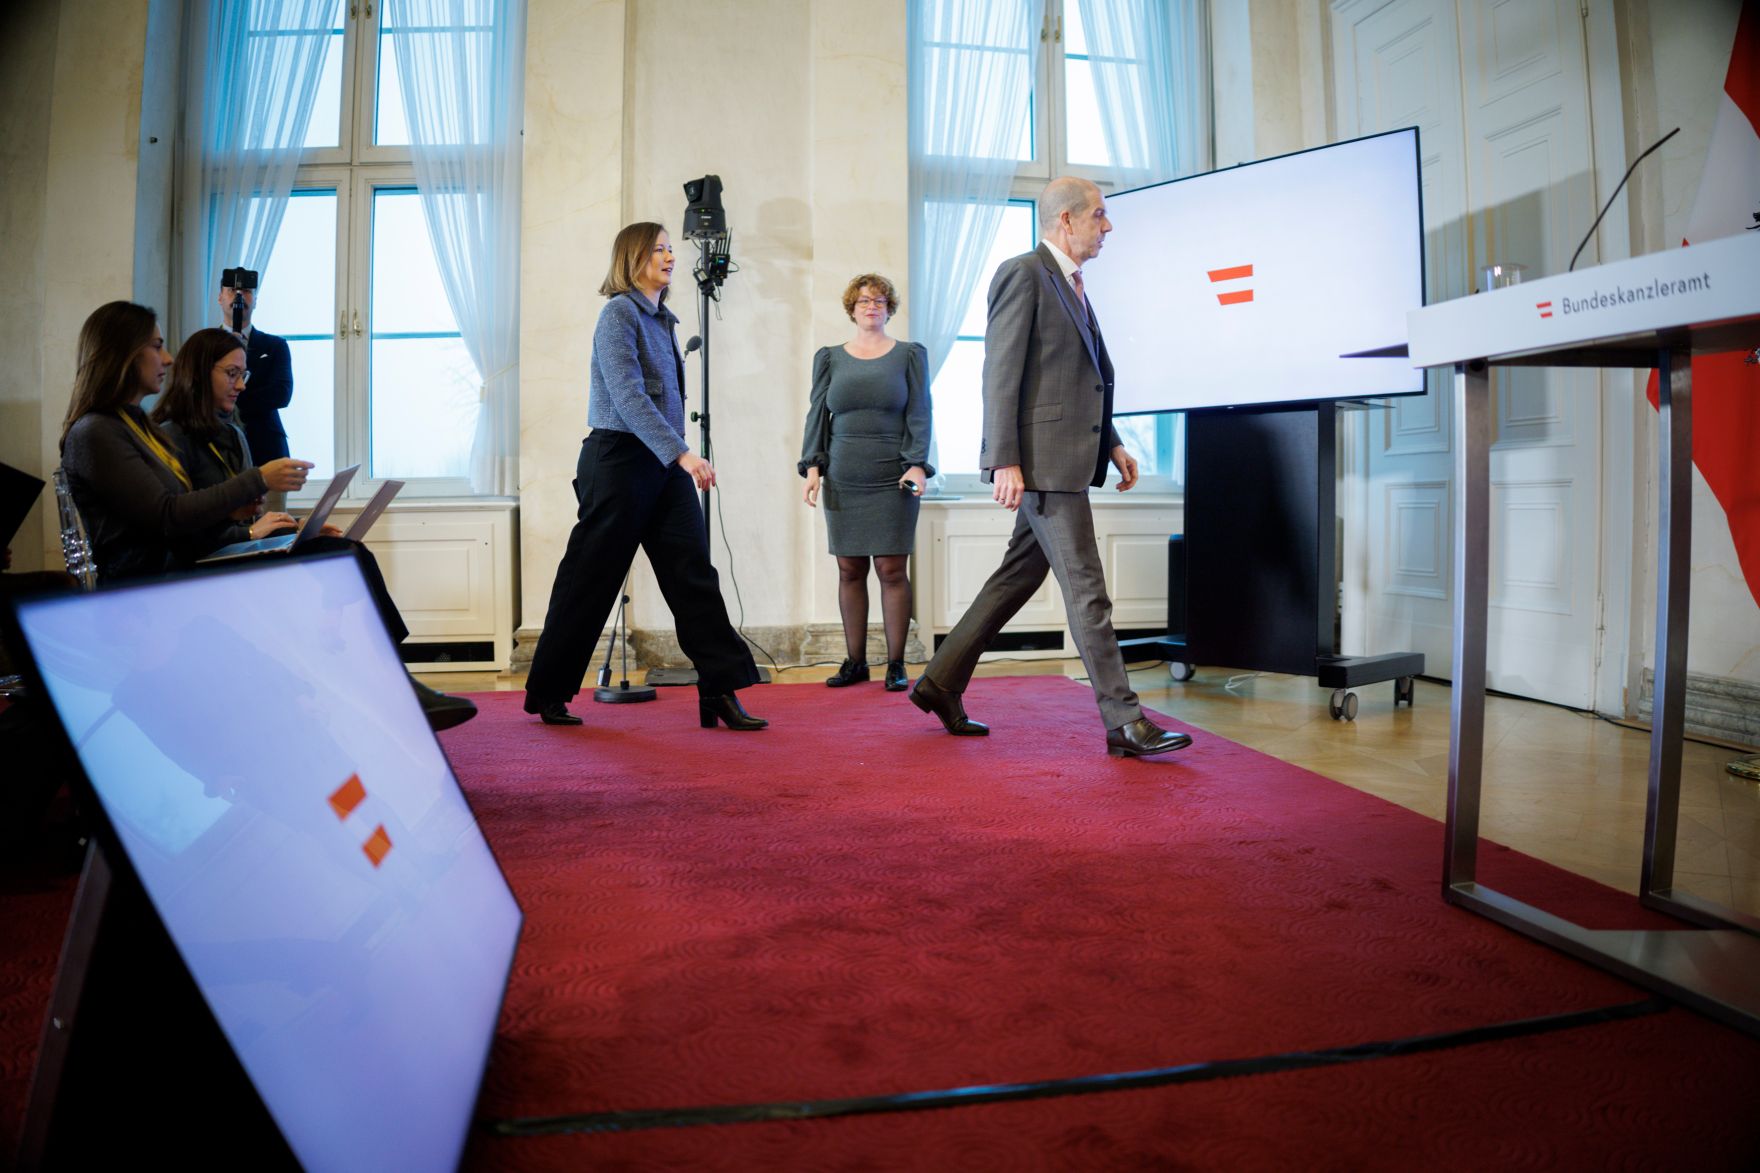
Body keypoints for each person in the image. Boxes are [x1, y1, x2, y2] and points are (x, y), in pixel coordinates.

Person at [58, 303, 475, 730]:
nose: (167, 358)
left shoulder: (133, 428)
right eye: (157, 346)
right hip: (156, 583)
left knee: (336, 551)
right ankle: (373, 683)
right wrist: (256, 484)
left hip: (185, 561)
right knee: (335, 557)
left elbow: (182, 516)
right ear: (123, 353)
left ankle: (379, 681)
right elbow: (168, 517)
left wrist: (273, 526)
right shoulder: (98, 432)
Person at [909, 177, 1194, 759]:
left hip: (1065, 459)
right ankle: (1124, 721)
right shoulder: (1024, 273)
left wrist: (1111, 443)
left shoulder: (1074, 285)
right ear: (1067, 219)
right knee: (1089, 591)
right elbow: (1001, 371)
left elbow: (1078, 378)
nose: (1107, 226)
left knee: (1014, 578)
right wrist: (1003, 459)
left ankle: (939, 683)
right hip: (1043, 466)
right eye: (1099, 215)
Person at [522, 222, 765, 730]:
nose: (669, 256)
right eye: (658, 249)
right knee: (590, 579)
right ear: (631, 257)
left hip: (660, 462)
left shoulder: (663, 319)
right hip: (617, 462)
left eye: (671, 248)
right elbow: (629, 397)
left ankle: (718, 690)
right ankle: (549, 691)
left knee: (693, 575)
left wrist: (673, 457)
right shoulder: (618, 314)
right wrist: (682, 455)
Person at [799, 274, 931, 692]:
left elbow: (921, 413)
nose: (870, 306)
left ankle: (895, 663)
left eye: (878, 300)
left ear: (890, 308)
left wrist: (918, 465)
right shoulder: (830, 358)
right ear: (851, 309)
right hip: (844, 473)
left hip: (894, 474)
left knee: (892, 569)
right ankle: (855, 662)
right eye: (862, 301)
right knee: (849, 568)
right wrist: (814, 467)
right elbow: (817, 413)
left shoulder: (909, 355)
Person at [219, 271, 295, 511]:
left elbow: (281, 393)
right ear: (220, 297)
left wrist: (231, 397)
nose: (240, 296)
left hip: (267, 448)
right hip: (219, 451)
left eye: (248, 291)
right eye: (231, 290)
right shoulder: (205, 344)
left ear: (256, 299)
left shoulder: (274, 346)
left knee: (273, 529)